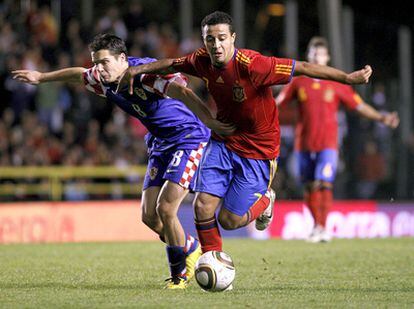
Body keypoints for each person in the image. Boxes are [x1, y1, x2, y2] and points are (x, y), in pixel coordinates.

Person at [118, 11, 373, 257]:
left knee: (229, 220)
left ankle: (266, 200)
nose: (215, 45)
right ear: (204, 40)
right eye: (210, 39)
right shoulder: (201, 60)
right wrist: (136, 70)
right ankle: (213, 261)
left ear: (233, 38)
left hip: (258, 152)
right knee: (202, 205)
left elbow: (304, 67)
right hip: (224, 141)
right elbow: (170, 64)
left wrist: (348, 78)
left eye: (221, 38)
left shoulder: (255, 65)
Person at [12, 33, 235, 289]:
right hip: (160, 143)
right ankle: (189, 246)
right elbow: (78, 74)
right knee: (149, 217)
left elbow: (182, 90)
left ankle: (179, 277)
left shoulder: (144, 75)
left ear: (122, 59)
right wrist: (41, 77)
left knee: (166, 209)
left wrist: (208, 120)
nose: (99, 69)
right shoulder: (103, 79)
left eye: (104, 62)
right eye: (96, 63)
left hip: (188, 138)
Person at [276, 37, 399, 242]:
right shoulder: (299, 82)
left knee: (324, 183)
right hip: (304, 142)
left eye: (321, 53)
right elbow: (278, 104)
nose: (317, 56)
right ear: (309, 55)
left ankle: (323, 227)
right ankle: (316, 226)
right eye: (314, 53)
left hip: (328, 143)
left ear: (327, 57)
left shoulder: (337, 82)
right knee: (309, 186)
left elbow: (358, 106)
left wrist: (381, 117)